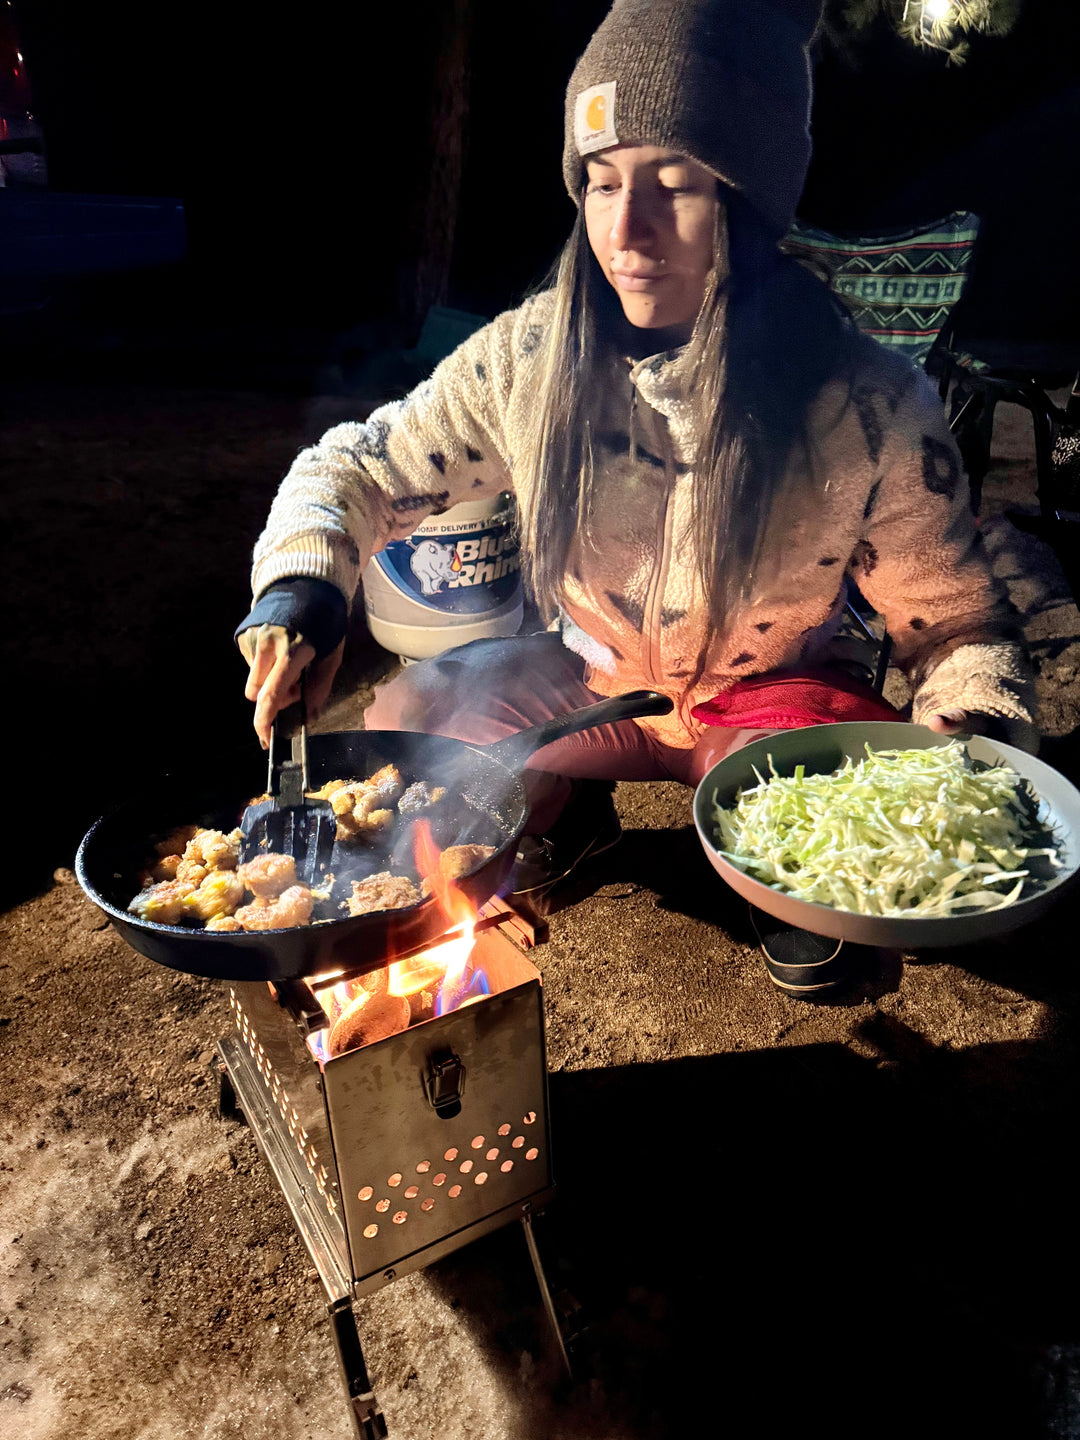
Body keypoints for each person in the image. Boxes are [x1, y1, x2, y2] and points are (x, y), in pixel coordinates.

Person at [236, 0, 1037, 992]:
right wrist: (304, 588)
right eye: (603, 184)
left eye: (675, 186)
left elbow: (958, 619)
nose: (627, 231)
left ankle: (771, 867)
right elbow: (358, 466)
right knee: (416, 732)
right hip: (590, 688)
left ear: (749, 203)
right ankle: (575, 807)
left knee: (857, 872)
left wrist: (971, 740)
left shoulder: (862, 405)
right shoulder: (529, 359)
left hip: (770, 703)